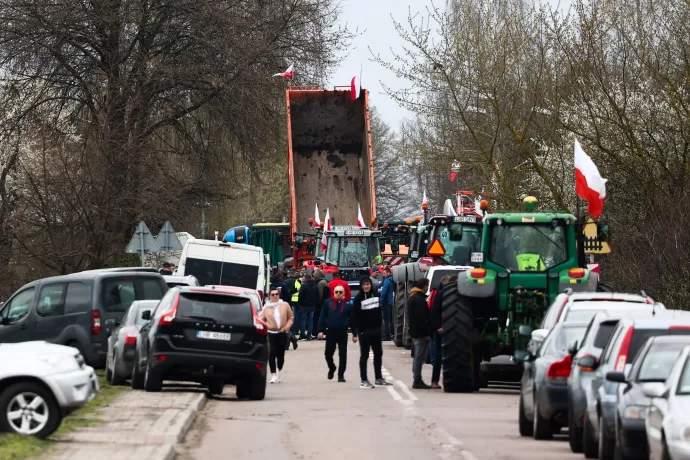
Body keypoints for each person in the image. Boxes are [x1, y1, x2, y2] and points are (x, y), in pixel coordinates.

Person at [352, 277, 391, 389]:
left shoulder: (375, 295)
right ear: (361, 285)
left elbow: (379, 311)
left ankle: (378, 378)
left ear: (370, 285)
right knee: (364, 355)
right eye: (364, 284)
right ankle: (363, 380)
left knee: (378, 353)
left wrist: (380, 326)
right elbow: (354, 316)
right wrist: (356, 332)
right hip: (364, 331)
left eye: (367, 284)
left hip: (376, 330)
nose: (366, 286)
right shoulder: (358, 298)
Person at [317, 286, 355, 382]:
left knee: (342, 355)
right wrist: (320, 330)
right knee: (328, 354)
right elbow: (322, 316)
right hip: (331, 332)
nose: (338, 293)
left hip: (342, 332)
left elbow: (352, 320)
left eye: (340, 292)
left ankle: (341, 375)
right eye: (336, 292)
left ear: (343, 293)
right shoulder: (328, 303)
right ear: (334, 292)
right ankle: (332, 367)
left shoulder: (348, 305)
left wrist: (355, 334)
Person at [259, 288, 295, 383]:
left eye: (277, 294)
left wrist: (286, 328)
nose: (275, 296)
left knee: (280, 354)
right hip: (271, 333)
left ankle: (279, 371)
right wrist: (266, 326)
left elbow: (291, 318)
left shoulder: (284, 305)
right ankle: (273, 374)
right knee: (271, 353)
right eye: (273, 295)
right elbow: (260, 319)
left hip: (282, 332)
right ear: (269, 296)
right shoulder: (266, 308)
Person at [408, 278, 432, 389]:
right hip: (420, 333)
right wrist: (426, 332)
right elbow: (422, 318)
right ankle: (417, 380)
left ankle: (417, 378)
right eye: (427, 285)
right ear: (424, 285)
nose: (428, 288)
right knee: (419, 356)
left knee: (418, 356)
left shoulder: (413, 297)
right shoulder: (419, 299)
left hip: (415, 332)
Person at [429, 276, 451, 389]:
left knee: (439, 355)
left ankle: (436, 381)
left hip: (446, 329)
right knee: (438, 355)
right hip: (442, 329)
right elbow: (434, 311)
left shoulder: (440, 294)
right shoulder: (439, 294)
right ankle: (435, 381)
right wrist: (437, 327)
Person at [297, 273, 319, 340]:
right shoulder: (315, 286)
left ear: (305, 278)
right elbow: (318, 296)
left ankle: (303, 334)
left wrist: (300, 304)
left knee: (302, 320)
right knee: (310, 320)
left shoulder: (304, 286)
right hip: (312, 305)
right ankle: (309, 334)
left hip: (304, 305)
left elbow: (300, 296)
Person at [314, 269, 330, 339]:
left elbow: (320, 294)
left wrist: (318, 301)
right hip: (325, 302)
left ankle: (319, 331)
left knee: (319, 317)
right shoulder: (325, 281)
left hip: (321, 303)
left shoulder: (320, 283)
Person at [379, 268, 395, 341]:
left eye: (384, 273)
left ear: (388, 273)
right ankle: (392, 333)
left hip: (386, 302)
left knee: (386, 319)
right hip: (391, 302)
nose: (383, 274)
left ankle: (387, 335)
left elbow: (384, 292)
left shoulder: (387, 281)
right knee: (390, 319)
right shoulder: (393, 280)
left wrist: (381, 302)